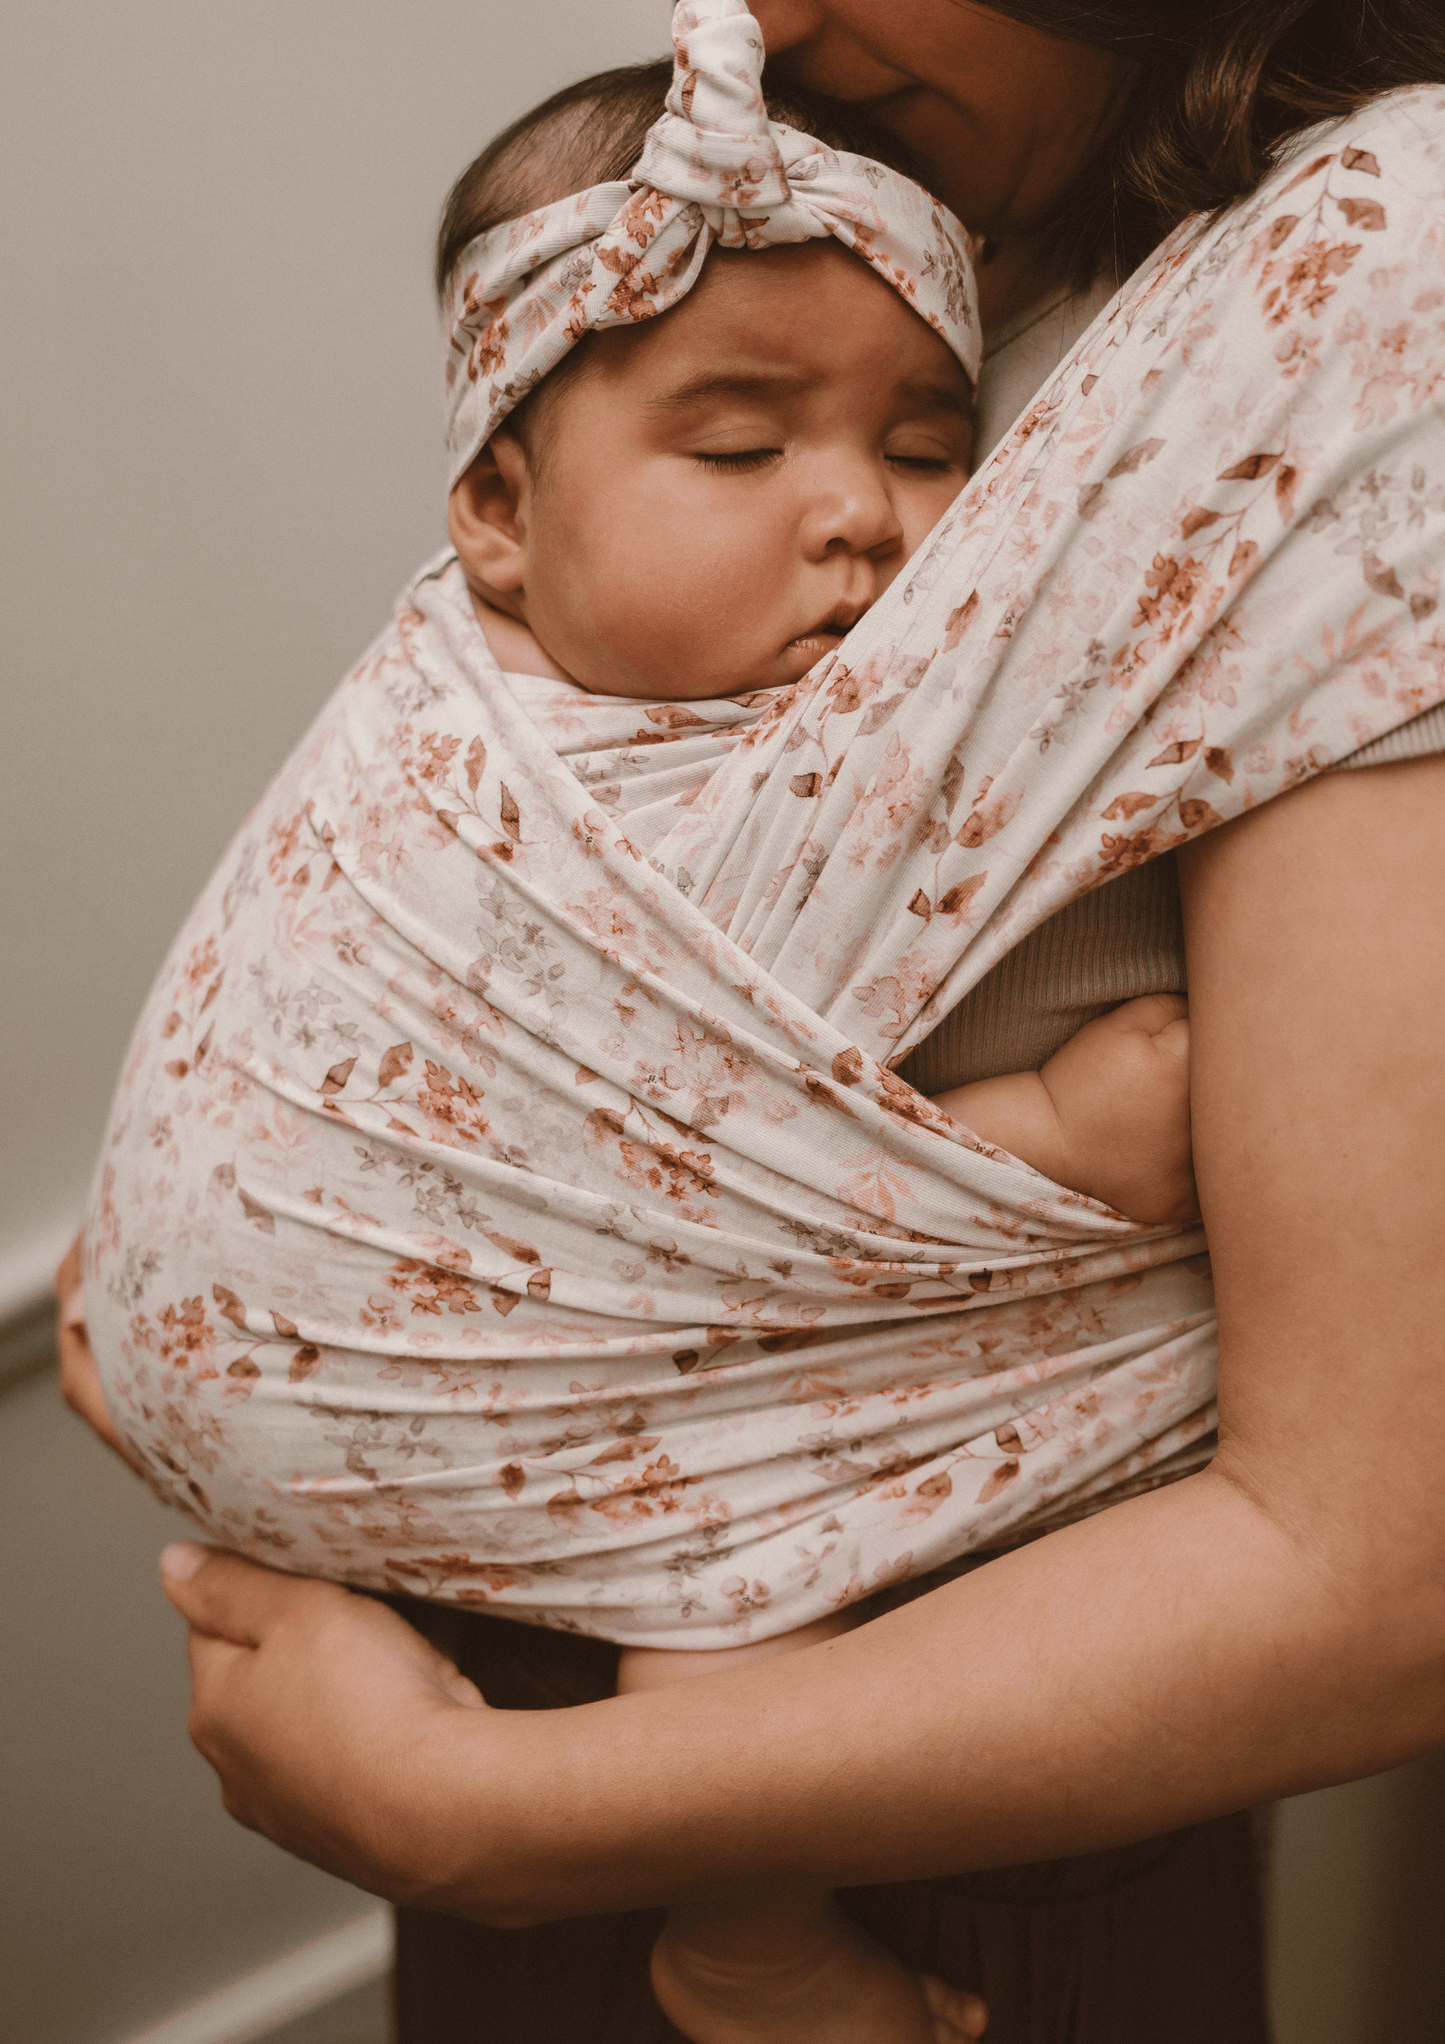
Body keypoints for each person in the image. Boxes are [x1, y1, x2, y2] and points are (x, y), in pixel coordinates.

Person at [59, 1, 1445, 2039]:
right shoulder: (825, 228)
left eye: (922, 451)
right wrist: (282, 1231)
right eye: (737, 447)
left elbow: (1367, 1558)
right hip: (465, 1668)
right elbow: (466, 935)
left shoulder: (1344, 311)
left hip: (901, 1797)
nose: (764, 13)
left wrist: (496, 1808)